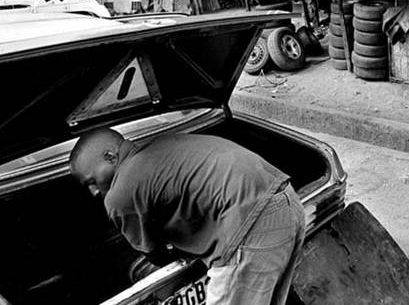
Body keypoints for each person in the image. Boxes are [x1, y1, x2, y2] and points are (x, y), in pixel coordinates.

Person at [69, 128, 306, 305]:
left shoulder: (118, 195)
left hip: (251, 222)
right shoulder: (166, 143)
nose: (92, 192)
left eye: (91, 181)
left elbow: (153, 254)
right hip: (287, 202)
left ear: (111, 157)